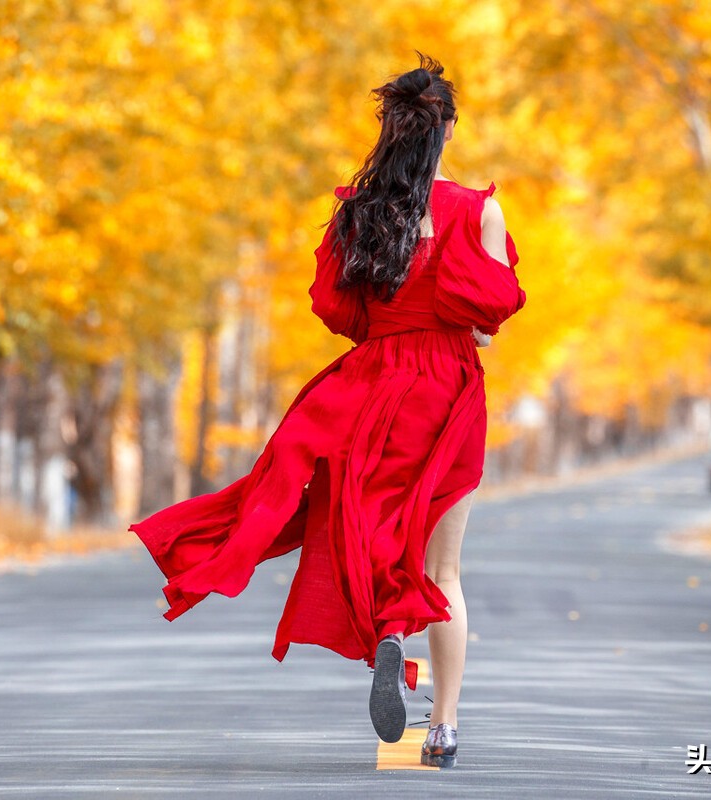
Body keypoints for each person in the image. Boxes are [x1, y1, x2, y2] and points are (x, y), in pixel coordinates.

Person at [129, 53, 526, 769]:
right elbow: (488, 325)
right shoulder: (479, 211)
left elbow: (341, 312)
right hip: (446, 391)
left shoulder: (361, 211)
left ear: (390, 129)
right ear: (451, 130)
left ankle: (388, 634)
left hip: (370, 387)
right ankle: (443, 727)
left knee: (368, 530)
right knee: (444, 569)